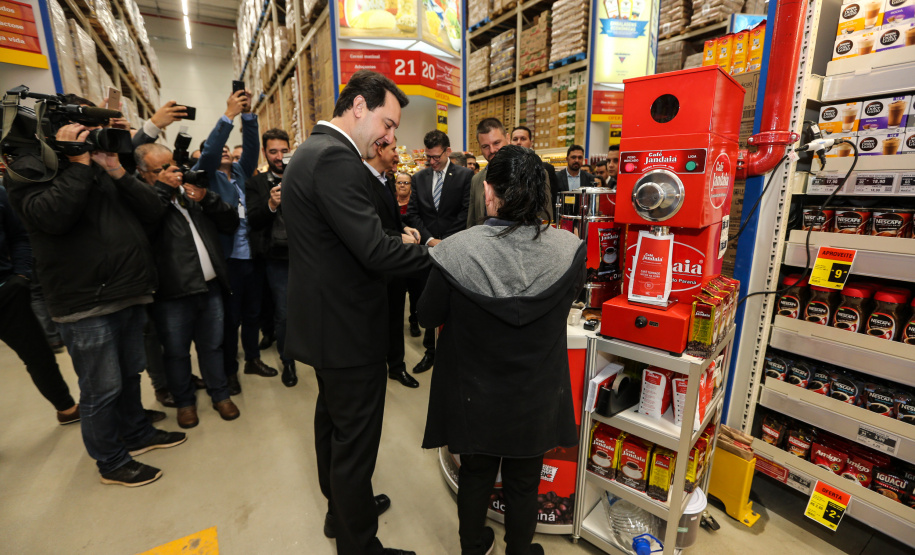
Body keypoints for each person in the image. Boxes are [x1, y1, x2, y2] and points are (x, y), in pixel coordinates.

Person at [284, 69, 428, 555]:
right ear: (360, 107)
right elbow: (374, 254)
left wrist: (389, 239)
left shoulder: (310, 152)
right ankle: (359, 545)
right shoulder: (336, 160)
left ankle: (342, 511)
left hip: (326, 324)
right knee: (355, 446)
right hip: (347, 329)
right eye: (388, 123)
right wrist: (438, 252)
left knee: (334, 427)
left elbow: (340, 242)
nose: (390, 136)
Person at [418, 145, 585, 555]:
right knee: (525, 480)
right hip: (535, 392)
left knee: (476, 475)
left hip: (474, 392)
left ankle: (473, 547)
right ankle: (519, 550)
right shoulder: (569, 249)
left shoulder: (455, 250)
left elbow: (427, 314)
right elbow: (570, 300)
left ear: (489, 192)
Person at [5, 120, 187, 488]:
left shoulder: (99, 166)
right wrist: (77, 164)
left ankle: (136, 432)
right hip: (84, 300)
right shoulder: (29, 168)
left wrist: (116, 169)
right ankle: (110, 460)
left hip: (126, 291)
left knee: (129, 373)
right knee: (101, 388)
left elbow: (152, 210)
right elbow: (53, 217)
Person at [136, 143, 241, 429]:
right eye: (160, 170)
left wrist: (208, 199)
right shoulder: (144, 201)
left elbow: (231, 222)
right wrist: (162, 191)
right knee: (176, 352)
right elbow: (144, 231)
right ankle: (185, 403)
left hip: (210, 287)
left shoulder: (192, 192)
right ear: (144, 174)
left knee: (212, 347)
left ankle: (220, 395)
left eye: (171, 165)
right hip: (172, 293)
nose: (171, 172)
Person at [194, 88, 275, 395]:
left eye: (229, 150)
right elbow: (211, 152)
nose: (225, 152)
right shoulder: (206, 176)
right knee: (230, 319)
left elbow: (252, 147)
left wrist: (248, 116)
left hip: (250, 258)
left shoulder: (240, 174)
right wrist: (228, 115)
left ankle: (252, 359)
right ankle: (229, 370)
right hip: (227, 261)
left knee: (253, 312)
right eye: (221, 151)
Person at [0, 186, 80, 425]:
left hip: (6, 292)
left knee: (37, 355)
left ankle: (65, 408)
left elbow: (19, 236)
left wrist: (22, 275)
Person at [403, 130, 473, 375]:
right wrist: (431, 240)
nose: (431, 162)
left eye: (435, 157)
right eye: (428, 158)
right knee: (427, 301)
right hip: (428, 251)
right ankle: (429, 351)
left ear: (447, 151)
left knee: (453, 304)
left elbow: (465, 214)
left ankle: (452, 352)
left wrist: (446, 242)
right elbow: (413, 213)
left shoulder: (464, 176)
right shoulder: (420, 178)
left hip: (454, 251)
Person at [365, 140, 422, 389]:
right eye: (393, 150)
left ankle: (396, 367)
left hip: (394, 264)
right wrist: (398, 236)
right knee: (376, 321)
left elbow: (391, 220)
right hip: (375, 266)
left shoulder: (387, 181)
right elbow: (369, 227)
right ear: (380, 151)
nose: (397, 155)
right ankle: (375, 368)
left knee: (395, 317)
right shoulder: (363, 183)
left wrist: (404, 228)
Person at [246, 128, 298, 387]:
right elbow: (253, 220)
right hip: (276, 257)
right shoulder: (256, 183)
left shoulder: (301, 177)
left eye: (283, 150)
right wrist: (271, 204)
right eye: (273, 151)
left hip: (306, 255)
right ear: (265, 153)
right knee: (284, 312)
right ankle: (288, 362)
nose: (279, 156)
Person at [393, 172, 423, 338]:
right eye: (399, 183)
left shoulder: (414, 204)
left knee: (415, 291)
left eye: (406, 183)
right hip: (397, 255)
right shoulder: (391, 204)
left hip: (413, 254)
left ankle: (414, 320)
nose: (402, 185)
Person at [510, 125, 560, 217]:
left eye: (523, 139)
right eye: (515, 139)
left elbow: (548, 203)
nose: (518, 142)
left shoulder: (544, 170)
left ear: (531, 143)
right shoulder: (505, 169)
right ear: (510, 142)